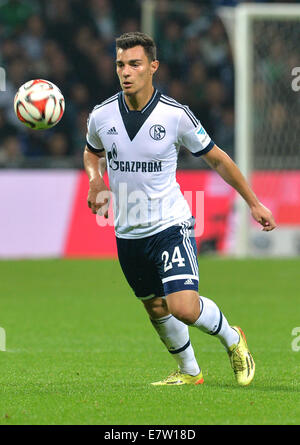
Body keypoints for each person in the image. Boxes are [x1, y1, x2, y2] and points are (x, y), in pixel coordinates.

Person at [83, 32, 276, 386]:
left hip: (170, 225)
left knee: (182, 307)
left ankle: (233, 339)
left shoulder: (175, 116)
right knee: (155, 306)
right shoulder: (101, 115)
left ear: (153, 67)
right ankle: (189, 371)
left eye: (134, 64)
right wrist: (96, 181)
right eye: (120, 64)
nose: (125, 72)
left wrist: (253, 201)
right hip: (127, 232)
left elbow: (217, 159)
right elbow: (91, 151)